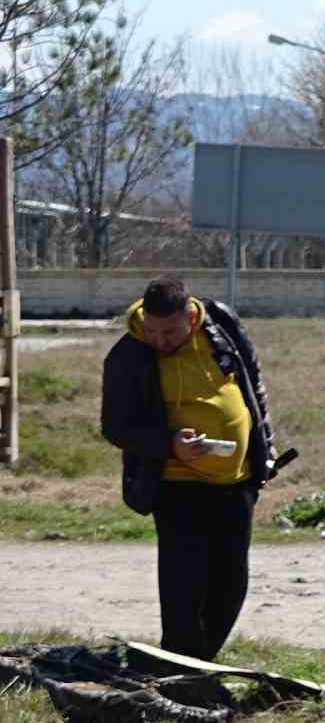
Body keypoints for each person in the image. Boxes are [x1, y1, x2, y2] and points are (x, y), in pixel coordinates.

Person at [101, 276, 277, 660]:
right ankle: (178, 664)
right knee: (184, 584)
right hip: (175, 483)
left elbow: (253, 385)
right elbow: (114, 426)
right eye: (152, 330)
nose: (159, 340)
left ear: (190, 318)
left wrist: (266, 452)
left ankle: (202, 661)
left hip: (236, 481)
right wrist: (170, 445)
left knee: (231, 582)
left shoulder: (220, 324)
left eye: (168, 331)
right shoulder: (128, 355)